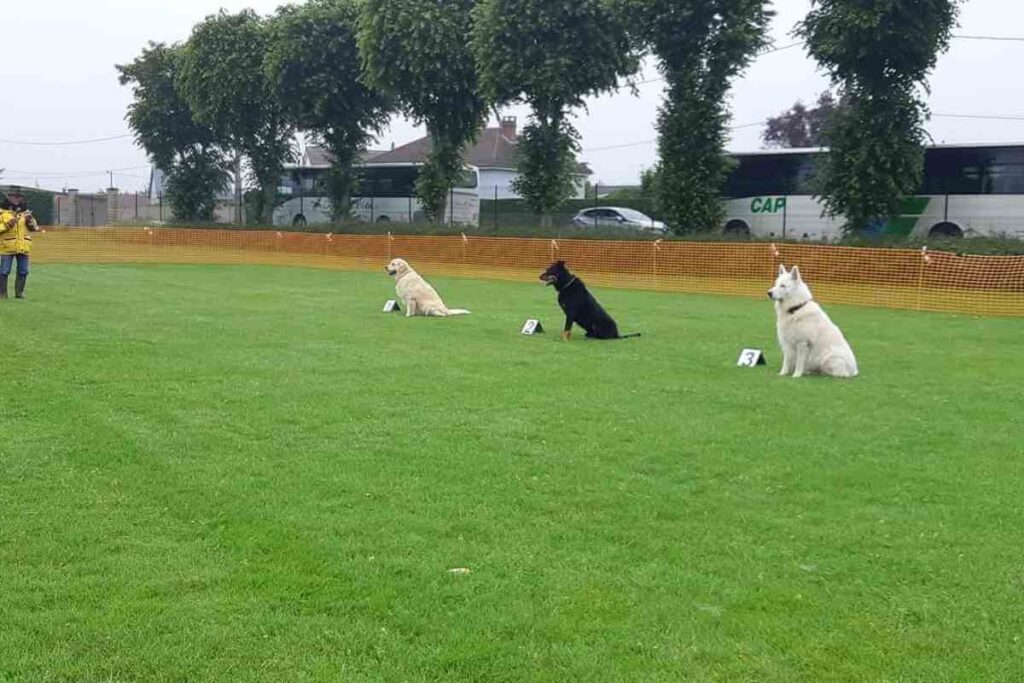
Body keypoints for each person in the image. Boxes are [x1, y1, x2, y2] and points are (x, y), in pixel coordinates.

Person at [0, 187, 39, 299]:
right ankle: (2, 293)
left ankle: (19, 293)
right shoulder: (2, 212)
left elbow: (35, 228)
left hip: (23, 246)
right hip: (7, 246)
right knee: (4, 271)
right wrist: (8, 224)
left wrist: (30, 221)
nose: (17, 199)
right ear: (9, 197)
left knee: (23, 271)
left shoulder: (26, 212)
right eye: (14, 197)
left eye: (19, 197)